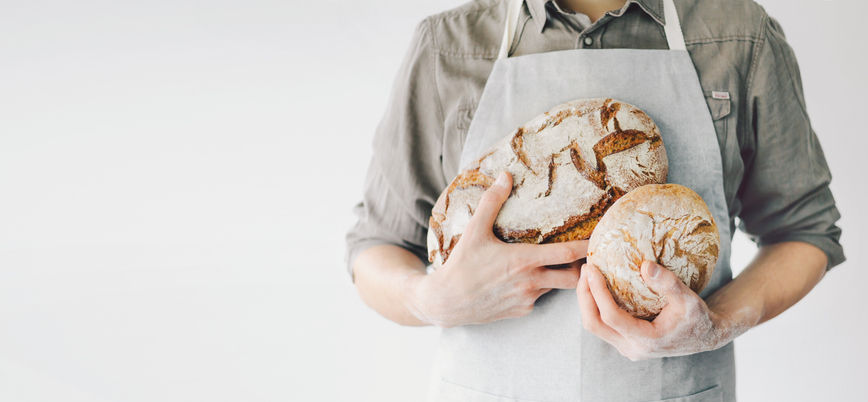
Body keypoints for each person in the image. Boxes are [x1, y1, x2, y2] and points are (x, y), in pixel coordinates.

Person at [346, 0, 845, 400]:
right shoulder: (449, 46)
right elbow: (376, 245)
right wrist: (432, 300)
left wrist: (716, 324)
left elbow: (804, 231)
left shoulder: (738, 35)